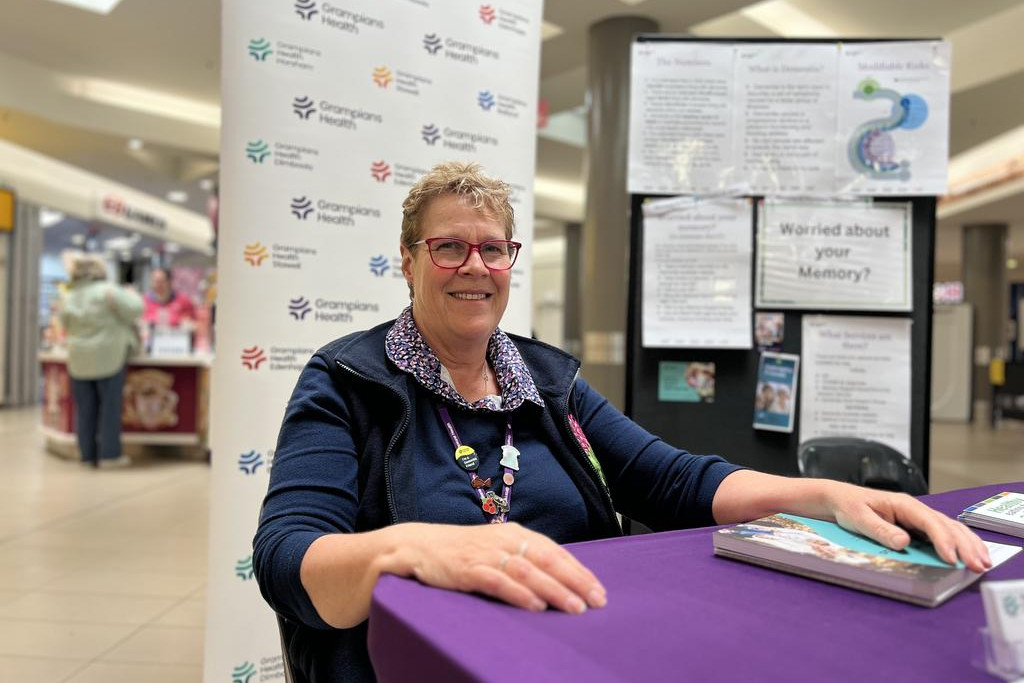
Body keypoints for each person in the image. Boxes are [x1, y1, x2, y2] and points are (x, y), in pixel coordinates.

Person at [253, 162, 990, 682]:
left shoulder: (545, 378)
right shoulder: (347, 379)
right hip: (430, 660)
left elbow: (670, 477)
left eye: (493, 248)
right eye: (448, 246)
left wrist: (821, 496)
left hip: (578, 642)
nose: (473, 264)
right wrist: (406, 548)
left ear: (512, 262)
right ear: (407, 261)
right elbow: (287, 557)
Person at [58, 253, 143, 467]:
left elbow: (64, 323)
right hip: (109, 357)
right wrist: (131, 293)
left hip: (79, 360)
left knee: (84, 410)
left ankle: (86, 455)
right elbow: (136, 309)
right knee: (109, 408)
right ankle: (109, 455)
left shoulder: (69, 296)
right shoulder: (108, 291)